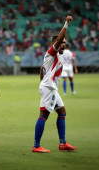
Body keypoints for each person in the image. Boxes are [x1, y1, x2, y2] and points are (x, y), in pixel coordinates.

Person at [32, 16, 76, 153]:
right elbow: (58, 40)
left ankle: (62, 143)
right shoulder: (52, 52)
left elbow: (41, 69)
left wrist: (43, 82)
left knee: (62, 112)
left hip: (51, 88)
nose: (63, 44)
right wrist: (66, 24)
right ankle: (36, 145)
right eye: (61, 42)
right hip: (49, 88)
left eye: (65, 43)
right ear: (55, 43)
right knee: (44, 114)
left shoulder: (59, 56)